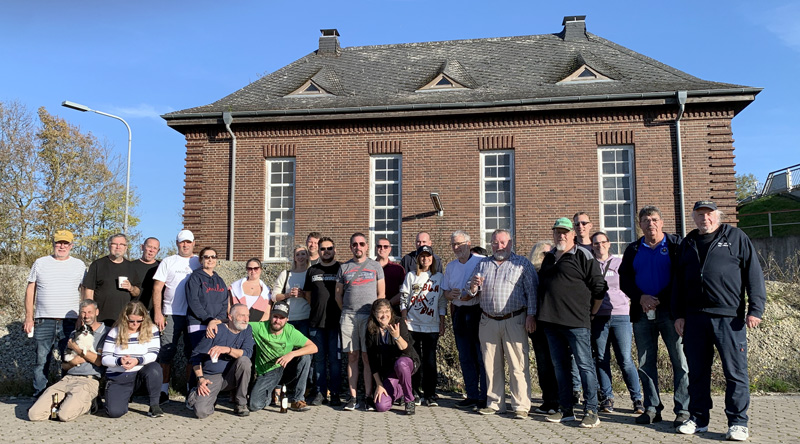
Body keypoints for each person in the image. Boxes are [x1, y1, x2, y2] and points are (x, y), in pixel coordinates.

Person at [673, 201, 766, 441]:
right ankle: (698, 418)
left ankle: (738, 423)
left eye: (709, 214)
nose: (705, 218)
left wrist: (756, 308)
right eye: (700, 214)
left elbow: (753, 274)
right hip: (695, 318)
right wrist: (679, 314)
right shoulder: (688, 243)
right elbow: (678, 284)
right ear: (694, 217)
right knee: (697, 372)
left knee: (735, 372)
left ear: (717, 216)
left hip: (729, 318)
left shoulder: (736, 237)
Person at [619, 206, 689, 427]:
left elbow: (682, 277)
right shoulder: (633, 249)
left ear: (662, 222)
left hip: (670, 313)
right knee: (645, 362)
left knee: (680, 361)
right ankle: (652, 408)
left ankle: (683, 410)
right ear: (640, 224)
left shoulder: (676, 245)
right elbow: (624, 279)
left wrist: (657, 298)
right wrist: (641, 298)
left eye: (654, 219)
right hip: (642, 314)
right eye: (646, 220)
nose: (651, 223)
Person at [537, 218, 607, 428]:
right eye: (557, 232)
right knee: (561, 367)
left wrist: (591, 314)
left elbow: (599, 288)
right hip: (551, 322)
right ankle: (566, 410)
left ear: (572, 234)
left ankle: (591, 410)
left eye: (565, 232)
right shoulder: (549, 258)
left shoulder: (583, 255)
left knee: (585, 366)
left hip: (577, 322)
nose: (561, 235)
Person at [467, 229, 537, 420]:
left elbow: (532, 292)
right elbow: (471, 291)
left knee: (518, 365)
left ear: (511, 243)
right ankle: (495, 403)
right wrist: (473, 286)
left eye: (503, 242)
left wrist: (531, 315)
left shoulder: (522, 264)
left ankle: (521, 406)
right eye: (495, 243)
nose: (500, 246)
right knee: (490, 365)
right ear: (491, 244)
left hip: (514, 319)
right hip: (488, 320)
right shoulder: (483, 264)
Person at [23, 230, 86, 397]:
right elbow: (31, 290)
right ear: (53, 243)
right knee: (41, 359)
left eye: (66, 243)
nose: (62, 246)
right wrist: (29, 317)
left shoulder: (79, 265)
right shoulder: (40, 262)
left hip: (70, 321)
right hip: (43, 320)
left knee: (69, 358)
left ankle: (67, 393)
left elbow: (85, 291)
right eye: (59, 242)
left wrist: (83, 316)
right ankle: (40, 394)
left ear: (71, 245)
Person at [589, 231, 643, 414]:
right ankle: (607, 398)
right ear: (592, 245)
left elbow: (630, 284)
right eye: (596, 243)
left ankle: (637, 399)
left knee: (625, 359)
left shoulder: (620, 263)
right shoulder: (589, 265)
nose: (599, 246)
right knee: (601, 359)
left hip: (620, 315)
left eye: (602, 242)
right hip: (598, 317)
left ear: (608, 243)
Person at [27, 299, 108, 422]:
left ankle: (90, 404)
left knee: (64, 415)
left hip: (88, 381)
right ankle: (61, 403)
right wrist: (73, 363)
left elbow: (99, 361)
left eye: (89, 312)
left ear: (97, 312)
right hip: (67, 379)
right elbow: (64, 366)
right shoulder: (75, 333)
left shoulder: (106, 332)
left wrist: (77, 349)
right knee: (34, 415)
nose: (86, 316)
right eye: (83, 312)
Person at [335, 232, 385, 411]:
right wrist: (347, 311)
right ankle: (353, 397)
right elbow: (338, 295)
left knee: (367, 357)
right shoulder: (344, 268)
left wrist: (376, 317)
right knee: (352, 356)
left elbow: (381, 295)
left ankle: (368, 397)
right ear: (351, 247)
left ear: (366, 246)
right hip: (348, 317)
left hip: (368, 317)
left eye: (361, 244)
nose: (358, 247)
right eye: (354, 244)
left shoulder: (375, 266)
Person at [152, 229, 201, 404]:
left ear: (194, 243)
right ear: (177, 243)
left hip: (194, 316)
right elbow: (157, 288)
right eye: (182, 242)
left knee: (192, 354)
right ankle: (163, 391)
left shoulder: (199, 262)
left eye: (188, 242)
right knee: (166, 353)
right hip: (171, 314)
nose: (185, 245)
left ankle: (190, 391)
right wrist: (158, 312)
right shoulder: (168, 261)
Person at [441, 230, 486, 410]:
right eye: (453, 244)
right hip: (459, 312)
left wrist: (471, 294)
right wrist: (449, 294)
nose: (456, 247)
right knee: (465, 356)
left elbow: (485, 286)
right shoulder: (450, 266)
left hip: (476, 311)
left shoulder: (480, 262)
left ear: (468, 243)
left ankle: (484, 396)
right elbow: (445, 291)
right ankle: (471, 395)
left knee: (480, 355)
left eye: (459, 244)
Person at [186, 304, 255, 418]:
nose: (246, 319)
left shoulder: (247, 329)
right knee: (201, 412)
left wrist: (227, 350)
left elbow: (248, 352)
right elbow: (196, 357)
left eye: (247, 316)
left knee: (245, 361)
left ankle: (241, 404)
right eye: (242, 315)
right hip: (212, 376)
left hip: (231, 376)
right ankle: (199, 396)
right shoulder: (215, 330)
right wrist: (200, 379)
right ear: (231, 317)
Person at [248, 301, 318, 412]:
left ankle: (297, 400)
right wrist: (215, 322)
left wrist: (292, 354)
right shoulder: (259, 327)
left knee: (305, 357)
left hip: (286, 368)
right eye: (275, 316)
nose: (277, 321)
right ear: (270, 316)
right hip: (268, 372)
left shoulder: (290, 331)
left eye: (282, 318)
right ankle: (271, 394)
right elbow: (237, 323)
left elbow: (314, 347)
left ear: (287, 319)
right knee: (254, 405)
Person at [400, 245, 446, 406]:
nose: (425, 259)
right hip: (413, 325)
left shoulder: (439, 277)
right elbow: (404, 298)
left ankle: (430, 394)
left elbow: (441, 301)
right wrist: (404, 318)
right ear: (417, 258)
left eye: (428, 256)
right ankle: (414, 392)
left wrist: (442, 321)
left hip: (431, 326)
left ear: (432, 259)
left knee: (430, 360)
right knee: (414, 360)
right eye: (422, 256)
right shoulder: (411, 276)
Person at [102, 301, 163, 418]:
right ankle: (123, 399)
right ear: (125, 318)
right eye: (131, 321)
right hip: (119, 375)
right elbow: (105, 358)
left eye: (139, 321)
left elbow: (153, 354)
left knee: (155, 368)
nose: (135, 324)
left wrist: (137, 360)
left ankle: (154, 405)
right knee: (114, 412)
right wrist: (119, 361)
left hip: (140, 375)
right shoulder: (115, 331)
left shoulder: (152, 329)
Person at [304, 237, 342, 406]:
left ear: (334, 250)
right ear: (318, 251)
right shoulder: (312, 270)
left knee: (335, 360)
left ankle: (335, 393)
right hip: (316, 323)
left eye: (329, 248)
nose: (326, 251)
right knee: (318, 360)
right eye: (323, 249)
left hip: (335, 323)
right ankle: (320, 393)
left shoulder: (341, 268)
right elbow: (308, 295)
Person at [526, 240, 562, 415]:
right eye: (545, 254)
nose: (549, 258)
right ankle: (549, 400)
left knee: (558, 363)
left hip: (555, 324)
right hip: (538, 325)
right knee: (543, 364)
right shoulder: (531, 274)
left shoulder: (555, 272)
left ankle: (561, 400)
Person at [366, 299, 420, 415]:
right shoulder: (371, 329)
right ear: (375, 314)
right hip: (389, 372)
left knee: (401, 364)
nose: (384, 315)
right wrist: (379, 385)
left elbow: (407, 350)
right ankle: (400, 389)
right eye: (380, 312)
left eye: (387, 311)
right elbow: (372, 360)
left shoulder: (399, 323)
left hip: (406, 363)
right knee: (381, 405)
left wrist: (396, 337)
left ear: (391, 312)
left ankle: (409, 399)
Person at [83, 233, 142, 326]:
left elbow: (137, 292)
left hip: (124, 320)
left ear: (126, 247)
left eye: (122, 244)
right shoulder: (98, 265)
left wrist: (131, 288)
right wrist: (90, 315)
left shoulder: (131, 267)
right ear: (109, 246)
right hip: (100, 320)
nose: (118, 247)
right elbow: (89, 291)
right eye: (115, 244)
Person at [186, 246, 228, 352]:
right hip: (198, 325)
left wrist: (216, 321)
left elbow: (224, 303)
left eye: (213, 257)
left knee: (213, 358)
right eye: (207, 257)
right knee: (198, 357)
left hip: (217, 325)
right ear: (201, 260)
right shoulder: (195, 278)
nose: (210, 259)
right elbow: (193, 302)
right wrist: (209, 320)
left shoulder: (220, 280)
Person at [273, 245, 311, 336]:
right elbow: (274, 297)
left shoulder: (311, 273)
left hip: (306, 318)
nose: (300, 257)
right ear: (294, 257)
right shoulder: (285, 274)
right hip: (288, 318)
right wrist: (288, 295)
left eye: (303, 254)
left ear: (307, 256)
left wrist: (303, 295)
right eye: (297, 254)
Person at [375, 236, 406, 315]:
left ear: (390, 249)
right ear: (376, 248)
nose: (382, 249)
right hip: (372, 309)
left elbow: (402, 292)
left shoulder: (398, 269)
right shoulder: (369, 268)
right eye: (379, 246)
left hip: (392, 310)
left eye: (385, 246)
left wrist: (388, 304)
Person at [131, 237, 161, 312]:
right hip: (134, 311)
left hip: (154, 312)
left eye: (155, 248)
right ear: (142, 247)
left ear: (158, 251)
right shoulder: (130, 266)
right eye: (149, 246)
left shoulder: (161, 267)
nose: (151, 250)